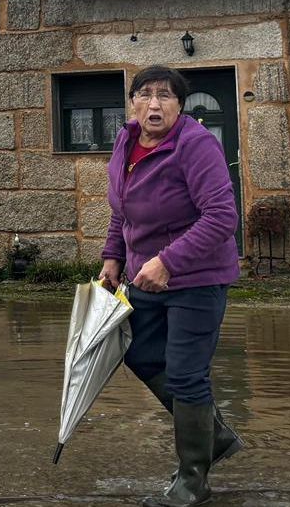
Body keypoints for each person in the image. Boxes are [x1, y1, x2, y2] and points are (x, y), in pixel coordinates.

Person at [100, 65, 242, 507]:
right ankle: (213, 434)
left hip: (196, 277)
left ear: (181, 106)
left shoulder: (195, 145)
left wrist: (169, 261)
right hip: (145, 276)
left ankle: (193, 479)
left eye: (166, 96)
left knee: (185, 373)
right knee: (137, 352)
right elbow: (122, 210)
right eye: (145, 95)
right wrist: (112, 257)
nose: (154, 104)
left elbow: (222, 216)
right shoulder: (126, 141)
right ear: (133, 103)